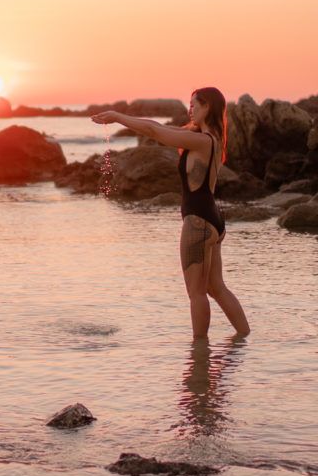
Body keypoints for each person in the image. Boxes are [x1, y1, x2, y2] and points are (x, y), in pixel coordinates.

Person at [91, 88, 251, 338]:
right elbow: (153, 126)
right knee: (216, 287)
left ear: (207, 107)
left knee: (196, 292)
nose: (190, 110)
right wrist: (118, 116)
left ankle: (200, 353)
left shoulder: (201, 141)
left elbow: (154, 132)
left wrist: (118, 117)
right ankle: (245, 337)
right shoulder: (209, 138)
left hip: (198, 221)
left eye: (194, 105)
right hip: (213, 220)